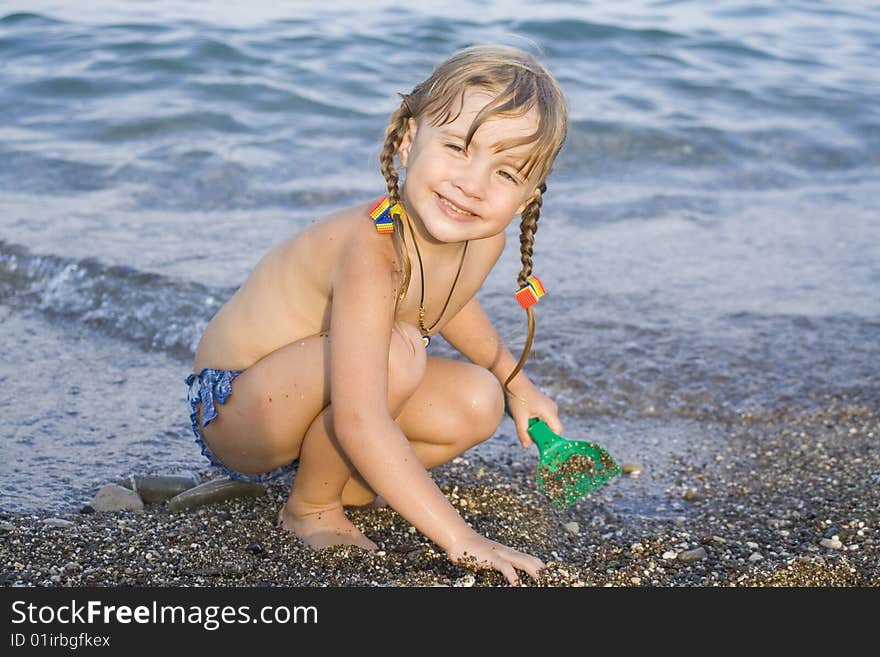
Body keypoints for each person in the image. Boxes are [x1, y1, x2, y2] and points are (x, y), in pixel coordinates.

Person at [185, 44, 568, 586]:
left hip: (317, 396)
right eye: (458, 146)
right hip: (235, 408)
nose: (473, 183)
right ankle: (310, 509)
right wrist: (461, 539)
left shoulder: (485, 241)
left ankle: (337, 481)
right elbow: (361, 414)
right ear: (410, 140)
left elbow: (447, 303)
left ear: (530, 195)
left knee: (481, 400)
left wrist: (515, 382)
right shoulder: (373, 248)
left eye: (506, 173)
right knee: (397, 353)